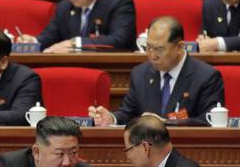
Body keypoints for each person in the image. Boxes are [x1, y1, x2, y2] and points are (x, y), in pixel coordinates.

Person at [89, 16, 223, 126]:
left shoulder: (206, 76)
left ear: (179, 47)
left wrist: (168, 123)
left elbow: (209, 120)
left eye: (159, 49)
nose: (152, 55)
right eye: (148, 47)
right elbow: (128, 113)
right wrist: (111, 118)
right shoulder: (140, 74)